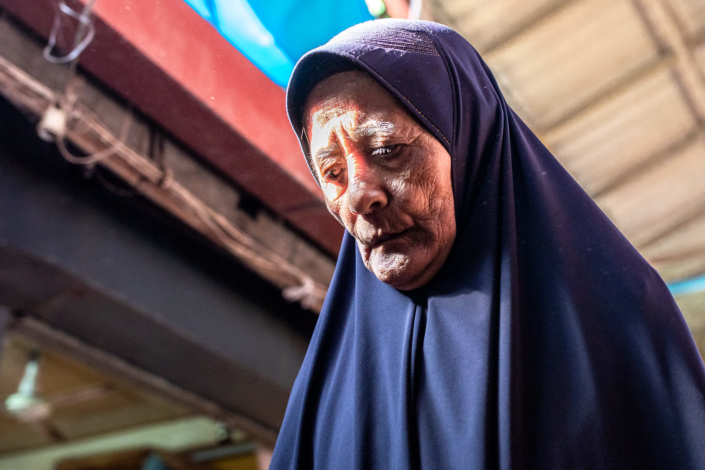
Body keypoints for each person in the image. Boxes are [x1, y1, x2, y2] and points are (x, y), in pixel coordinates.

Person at [270, 19, 705, 469]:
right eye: (333, 174)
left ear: (469, 139)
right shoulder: (324, 392)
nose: (361, 195)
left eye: (387, 149)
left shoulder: (619, 320)